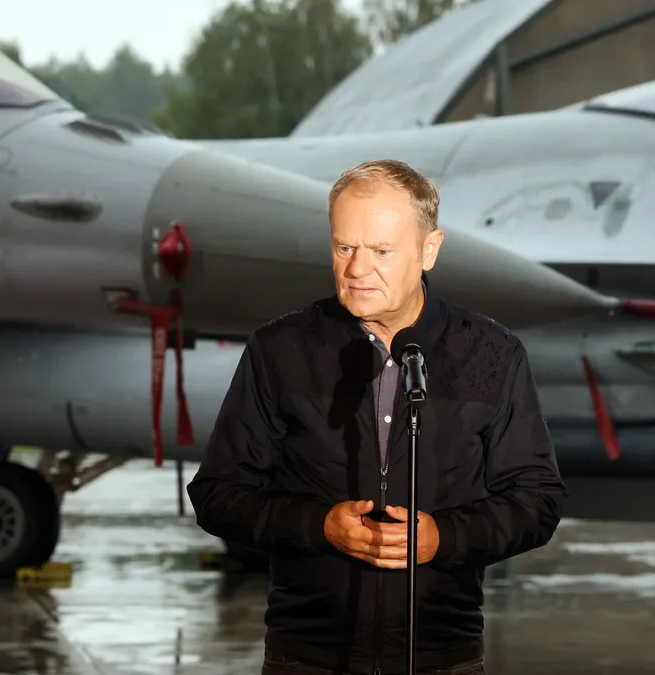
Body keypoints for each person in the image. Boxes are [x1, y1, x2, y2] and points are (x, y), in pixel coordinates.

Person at [187, 159, 567, 675]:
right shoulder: (279, 350)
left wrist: (444, 538)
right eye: (344, 248)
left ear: (429, 250)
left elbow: (537, 501)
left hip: (443, 659)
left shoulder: (491, 354)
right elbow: (217, 494)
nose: (357, 269)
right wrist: (320, 526)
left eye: (381, 251)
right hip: (307, 659)